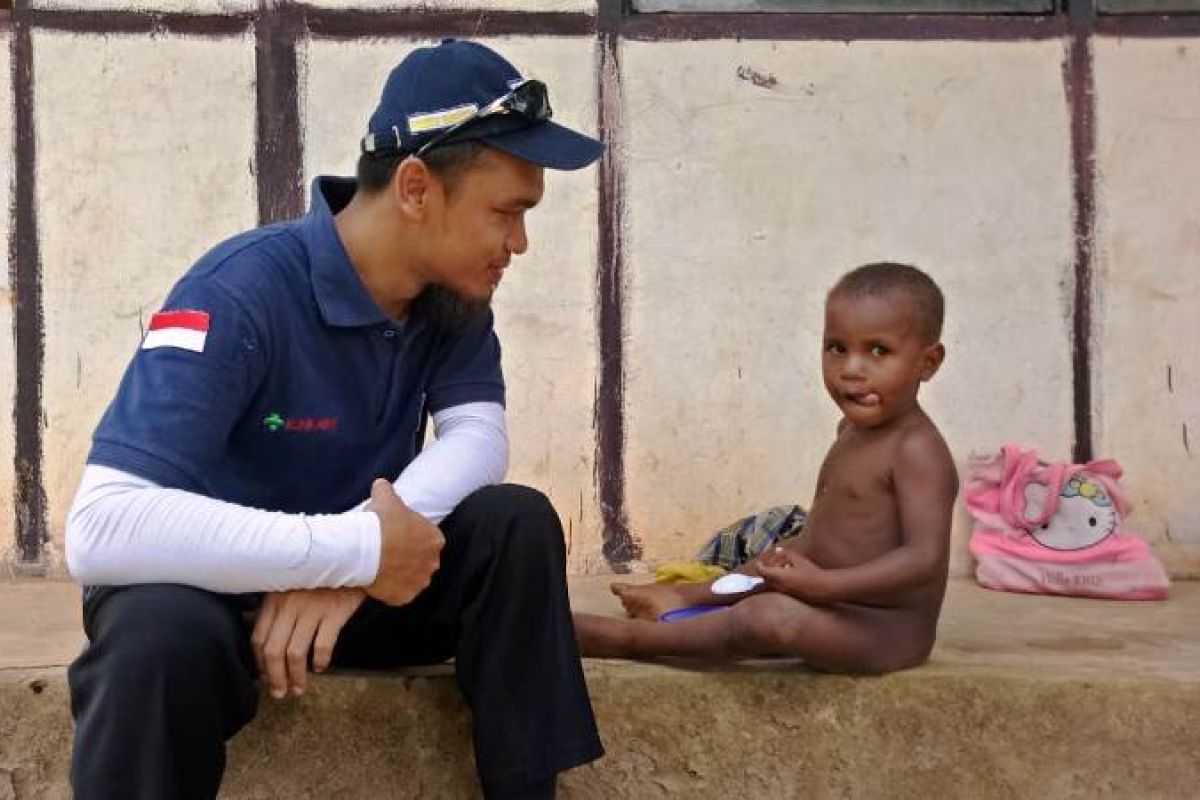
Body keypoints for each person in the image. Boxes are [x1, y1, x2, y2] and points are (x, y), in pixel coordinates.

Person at [65, 39, 604, 799]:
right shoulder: (240, 291)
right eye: (507, 213)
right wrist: (347, 551)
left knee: (515, 525)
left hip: (352, 597)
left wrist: (362, 564)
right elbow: (101, 530)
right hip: (214, 602)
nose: (519, 243)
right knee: (149, 640)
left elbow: (479, 439)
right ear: (416, 189)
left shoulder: (452, 298)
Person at [576, 263, 959, 674]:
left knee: (769, 617)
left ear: (928, 362)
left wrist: (824, 585)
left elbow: (924, 558)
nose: (851, 369)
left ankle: (637, 642)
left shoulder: (916, 449)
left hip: (882, 632)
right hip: (822, 597)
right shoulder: (851, 431)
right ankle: (686, 600)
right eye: (837, 348)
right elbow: (816, 541)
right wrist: (782, 575)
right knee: (771, 562)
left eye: (879, 351)